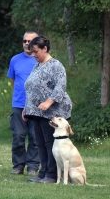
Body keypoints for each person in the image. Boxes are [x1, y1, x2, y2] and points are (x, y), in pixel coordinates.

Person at [22, 35, 72, 183]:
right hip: (36, 112)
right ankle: (42, 173)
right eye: (32, 52)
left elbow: (60, 86)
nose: (34, 55)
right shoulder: (37, 66)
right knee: (40, 143)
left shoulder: (56, 65)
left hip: (53, 112)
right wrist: (26, 108)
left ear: (45, 49)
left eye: (36, 52)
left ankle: (51, 175)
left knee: (50, 143)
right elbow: (31, 88)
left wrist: (48, 102)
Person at [7, 31, 40, 176]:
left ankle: (33, 167)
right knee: (18, 136)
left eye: (30, 41)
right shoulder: (15, 60)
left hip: (37, 106)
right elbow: (14, 82)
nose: (26, 43)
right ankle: (18, 166)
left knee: (35, 137)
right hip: (19, 103)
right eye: (24, 41)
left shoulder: (40, 59)